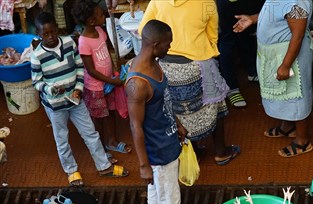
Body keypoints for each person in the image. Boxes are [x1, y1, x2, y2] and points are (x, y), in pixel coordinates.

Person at [126, 19, 208, 204]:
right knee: (169, 197)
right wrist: (143, 164)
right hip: (157, 151)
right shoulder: (137, 84)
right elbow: (135, 127)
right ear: (155, 44)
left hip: (168, 138)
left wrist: (179, 124)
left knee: (158, 193)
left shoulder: (155, 64)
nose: (170, 48)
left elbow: (164, 102)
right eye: (168, 44)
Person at [30, 12, 128, 187]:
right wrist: (50, 89)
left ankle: (103, 166)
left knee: (90, 132)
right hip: (55, 106)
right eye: (45, 34)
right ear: (39, 34)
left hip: (76, 100)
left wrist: (78, 89)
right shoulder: (37, 56)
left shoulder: (69, 43)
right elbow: (37, 82)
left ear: (57, 29)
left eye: (53, 32)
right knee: (62, 139)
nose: (51, 37)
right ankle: (71, 170)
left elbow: (79, 68)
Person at [138, 0, 241, 166]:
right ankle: (220, 152)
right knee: (216, 106)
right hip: (199, 62)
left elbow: (144, 29)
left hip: (167, 65)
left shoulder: (158, 1)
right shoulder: (206, 2)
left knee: (180, 111)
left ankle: (195, 153)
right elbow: (213, 33)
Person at [233, 0, 313, 158]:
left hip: (288, 56)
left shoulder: (297, 3)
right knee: (283, 95)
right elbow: (275, 11)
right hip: (276, 54)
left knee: (296, 97)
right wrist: (254, 18)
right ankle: (288, 126)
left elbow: (298, 35)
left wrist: (285, 65)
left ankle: (302, 140)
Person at [71, 0, 131, 163]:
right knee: (98, 118)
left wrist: (114, 75)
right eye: (99, 14)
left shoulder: (100, 31)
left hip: (108, 83)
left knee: (110, 112)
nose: (102, 15)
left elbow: (106, 55)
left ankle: (112, 142)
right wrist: (112, 80)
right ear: (90, 21)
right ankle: (101, 148)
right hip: (95, 87)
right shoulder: (83, 42)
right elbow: (91, 70)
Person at [216, 0, 264, 108]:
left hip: (247, 4)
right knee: (228, 39)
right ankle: (231, 87)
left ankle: (252, 71)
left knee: (247, 32)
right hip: (228, 3)